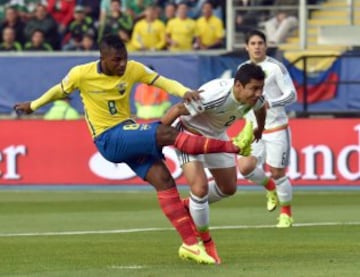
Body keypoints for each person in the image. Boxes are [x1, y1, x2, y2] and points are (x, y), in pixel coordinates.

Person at [14, 34, 250, 265]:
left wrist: (184, 91)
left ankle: (190, 244)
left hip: (127, 132)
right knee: (167, 133)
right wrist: (33, 105)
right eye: (116, 60)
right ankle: (233, 146)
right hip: (109, 138)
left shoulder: (132, 69)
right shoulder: (81, 74)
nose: (122, 64)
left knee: (165, 181)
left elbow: (162, 81)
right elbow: (59, 90)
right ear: (103, 58)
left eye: (124, 58)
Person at [161, 63, 267, 264]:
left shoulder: (255, 98)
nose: (258, 93)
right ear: (238, 86)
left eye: (261, 88)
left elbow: (261, 108)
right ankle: (207, 243)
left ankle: (188, 206)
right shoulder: (214, 96)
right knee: (199, 189)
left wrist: (260, 129)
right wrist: (155, 136)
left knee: (228, 188)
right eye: (254, 88)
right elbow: (177, 109)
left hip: (216, 137)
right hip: (188, 134)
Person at [238, 29, 297, 227]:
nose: (257, 47)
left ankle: (286, 214)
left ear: (266, 46)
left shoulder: (275, 68)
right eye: (253, 43)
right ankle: (269, 188)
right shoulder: (243, 68)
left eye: (260, 43)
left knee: (278, 172)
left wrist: (270, 103)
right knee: (245, 168)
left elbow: (292, 95)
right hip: (253, 128)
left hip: (276, 128)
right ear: (246, 47)